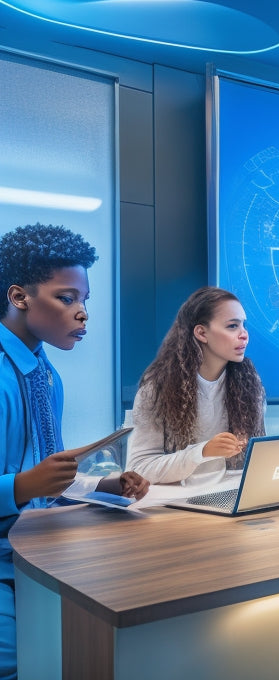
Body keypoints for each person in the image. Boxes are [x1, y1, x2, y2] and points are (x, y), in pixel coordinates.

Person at [0, 223, 149, 679]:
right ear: (20, 296)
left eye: (84, 301)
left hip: (38, 555)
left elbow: (48, 472)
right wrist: (23, 487)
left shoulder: (47, 377)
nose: (82, 314)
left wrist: (103, 484)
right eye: (67, 299)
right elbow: (31, 480)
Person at [126, 286, 266, 484]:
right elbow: (139, 470)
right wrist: (202, 452)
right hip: (177, 505)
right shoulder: (156, 389)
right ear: (201, 332)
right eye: (232, 326)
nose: (244, 335)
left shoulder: (250, 386)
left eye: (244, 325)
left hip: (229, 496)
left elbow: (257, 461)